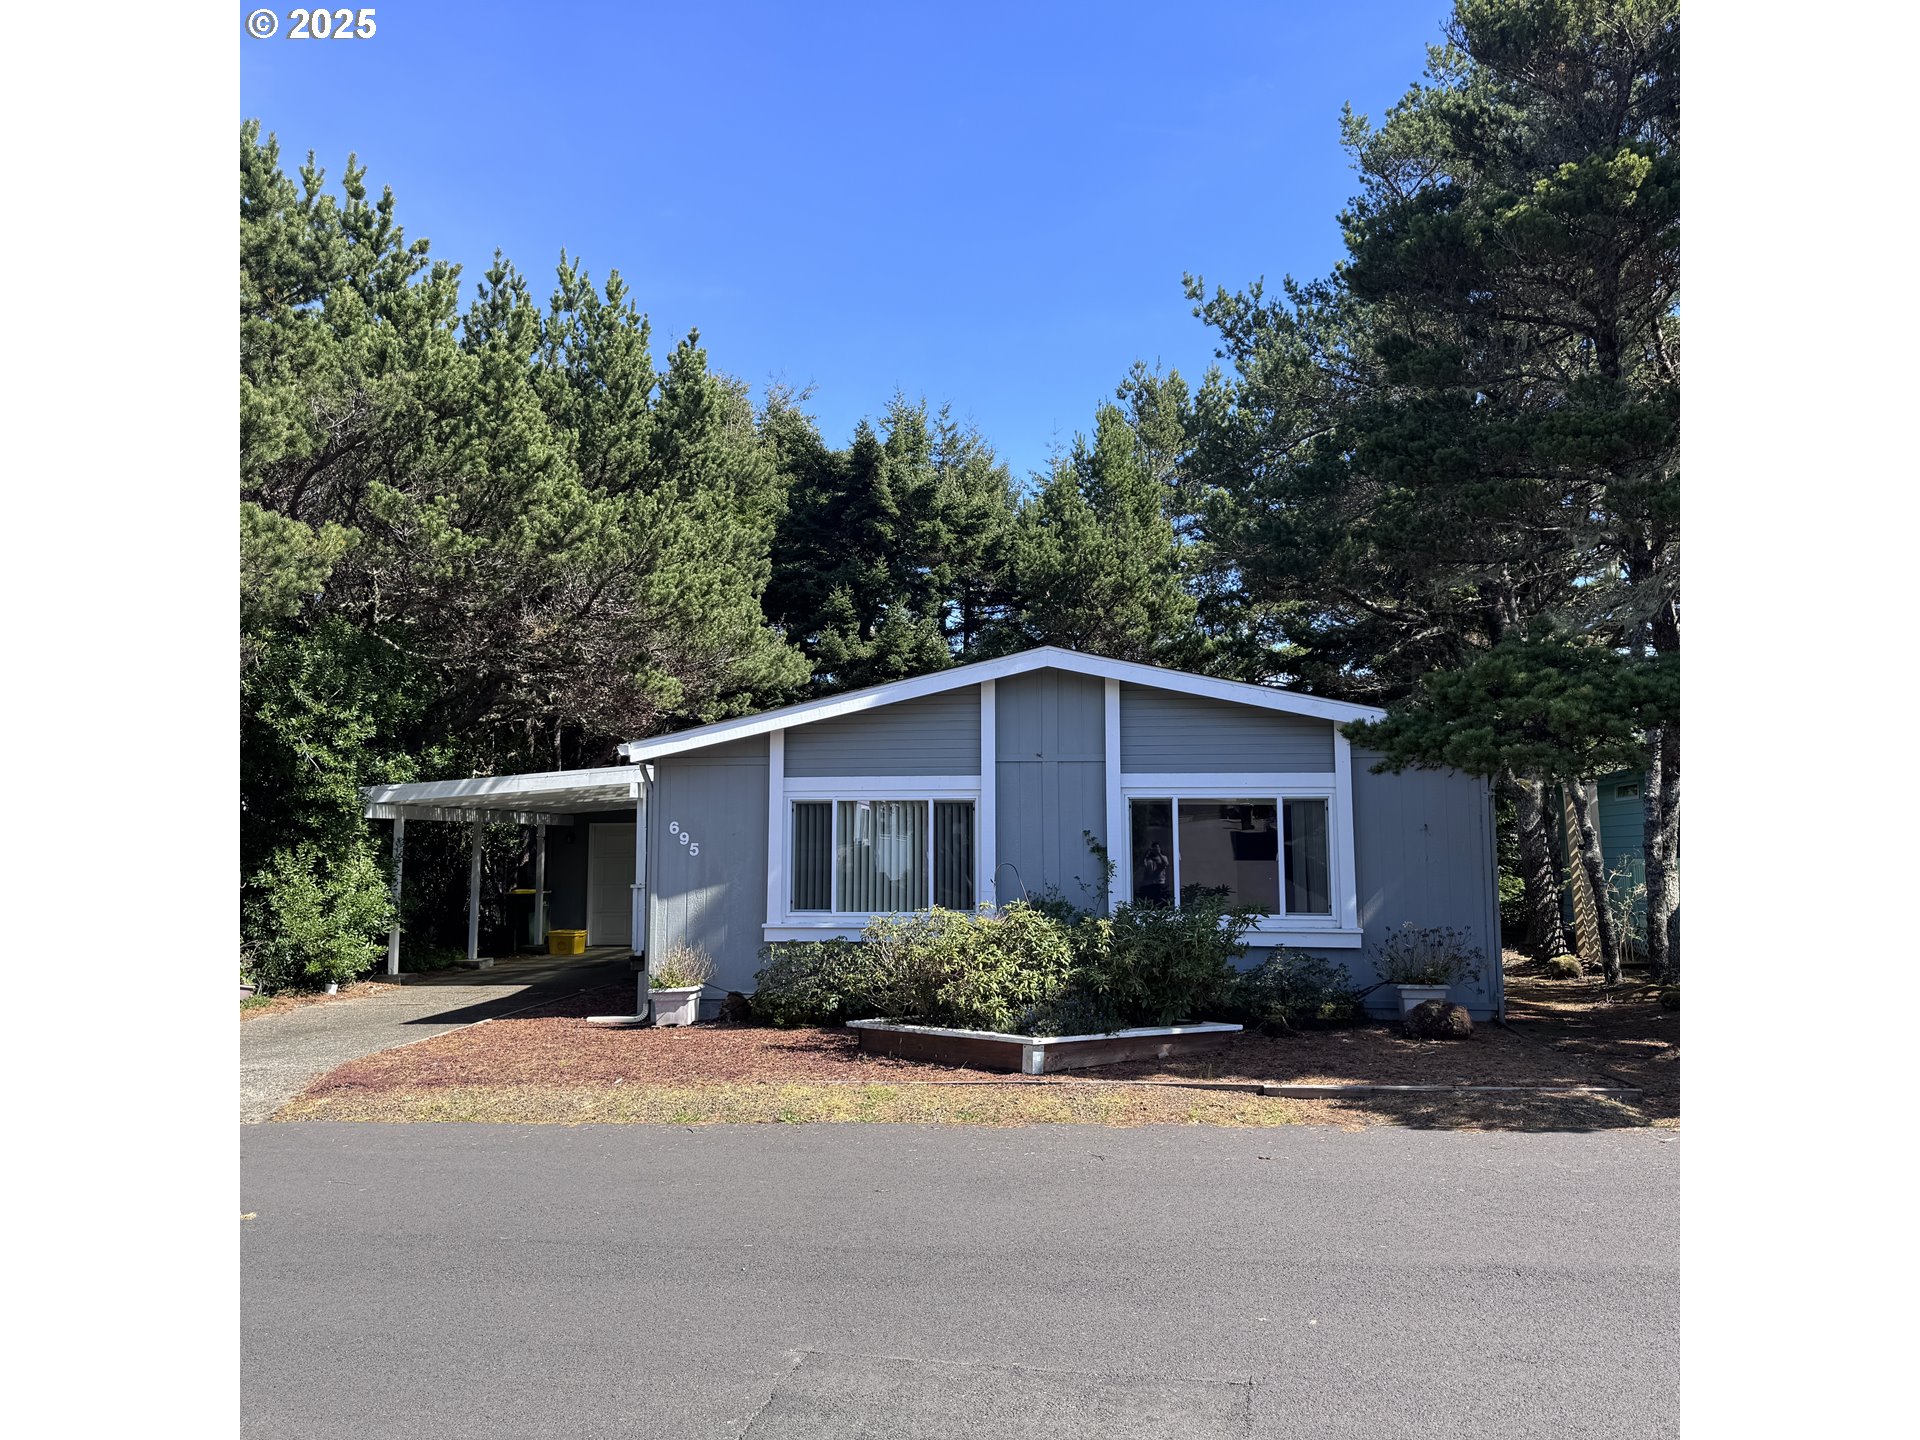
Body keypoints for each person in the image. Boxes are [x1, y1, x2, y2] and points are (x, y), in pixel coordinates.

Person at [1138, 842, 1172, 906]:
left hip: (1159, 883)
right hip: (1149, 883)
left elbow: (1166, 864)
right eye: (1154, 848)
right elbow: (1143, 865)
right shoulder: (1149, 859)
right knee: (1150, 901)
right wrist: (1146, 854)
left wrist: (1159, 853)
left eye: (1157, 848)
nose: (1155, 850)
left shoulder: (1163, 857)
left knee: (1159, 901)